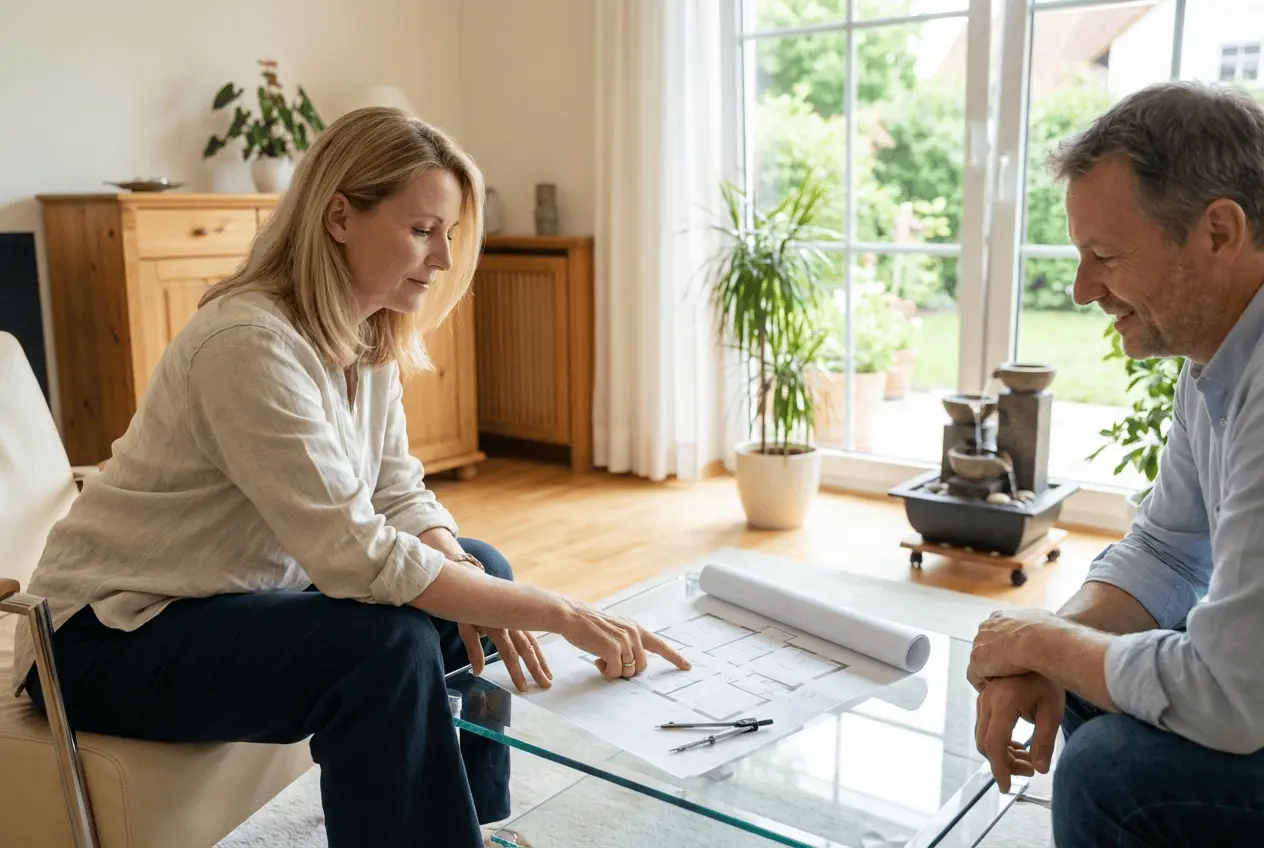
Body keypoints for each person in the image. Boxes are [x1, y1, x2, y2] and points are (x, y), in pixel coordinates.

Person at [11, 107, 689, 848]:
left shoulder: (364, 335)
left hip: (230, 596)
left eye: (449, 235)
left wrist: (464, 566)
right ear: (339, 216)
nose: (439, 259)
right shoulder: (248, 345)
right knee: (385, 646)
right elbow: (357, 555)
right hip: (103, 640)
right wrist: (559, 611)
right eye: (422, 230)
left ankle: (475, 823)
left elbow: (398, 492)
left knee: (480, 568)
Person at [966, 81, 1264, 847]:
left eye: (1104, 256)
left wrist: (1040, 644)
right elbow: (1166, 551)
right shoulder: (1219, 364)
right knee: (1091, 689)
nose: (1081, 289)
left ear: (1219, 232)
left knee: (1111, 773)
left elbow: (1230, 696)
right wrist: (1049, 648)